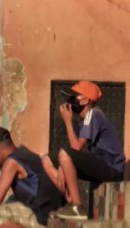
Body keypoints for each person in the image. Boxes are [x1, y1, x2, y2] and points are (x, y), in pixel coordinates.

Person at [43, 81, 125, 220]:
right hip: (100, 165)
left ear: (86, 100)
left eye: (75, 97)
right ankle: (70, 203)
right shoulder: (85, 120)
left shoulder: (93, 114)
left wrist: (67, 121)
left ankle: (77, 206)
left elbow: (75, 148)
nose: (71, 101)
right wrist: (63, 168)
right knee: (46, 159)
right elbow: (73, 152)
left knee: (64, 154)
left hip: (112, 169)